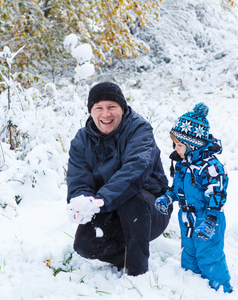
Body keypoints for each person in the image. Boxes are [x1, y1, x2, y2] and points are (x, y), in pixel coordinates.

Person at [66, 81, 172, 276]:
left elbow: (135, 172)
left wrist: (100, 201)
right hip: (110, 208)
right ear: (91, 111)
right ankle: (127, 254)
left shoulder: (139, 130)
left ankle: (137, 271)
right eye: (99, 108)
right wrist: (82, 202)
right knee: (84, 244)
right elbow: (78, 180)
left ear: (122, 109)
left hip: (151, 209)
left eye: (112, 107)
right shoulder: (81, 141)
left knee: (131, 196)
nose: (106, 114)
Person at [155, 102, 233, 293]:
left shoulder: (211, 167)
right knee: (189, 254)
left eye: (180, 144)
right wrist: (167, 197)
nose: (176, 148)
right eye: (174, 144)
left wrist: (210, 221)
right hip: (187, 219)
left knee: (209, 255)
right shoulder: (183, 163)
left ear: (193, 145)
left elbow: (217, 194)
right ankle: (193, 290)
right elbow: (178, 188)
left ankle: (221, 290)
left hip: (207, 218)